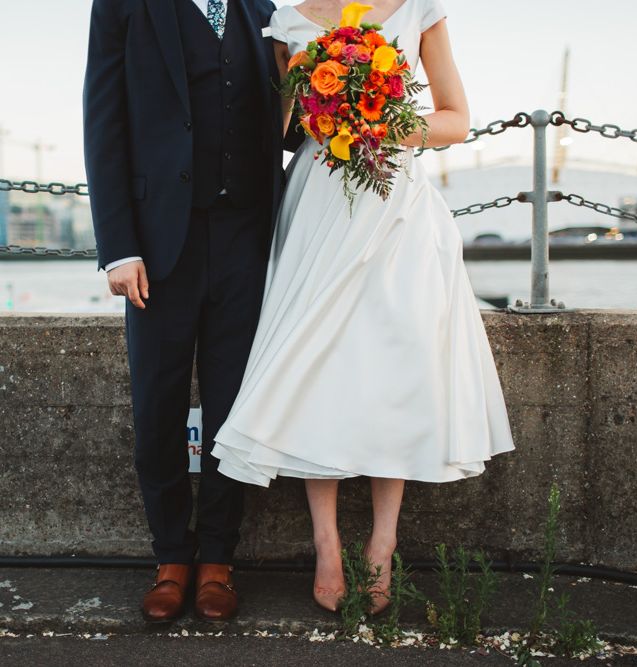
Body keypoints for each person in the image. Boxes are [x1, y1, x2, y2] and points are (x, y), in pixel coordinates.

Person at [211, 0, 517, 614]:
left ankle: (383, 539)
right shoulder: (286, 22)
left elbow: (455, 120)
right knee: (312, 364)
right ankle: (325, 542)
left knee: (394, 364)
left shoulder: (421, 9)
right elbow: (273, 131)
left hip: (395, 209)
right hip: (317, 207)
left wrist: (377, 124)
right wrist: (320, 112)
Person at [83, 0, 293, 622]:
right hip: (157, 241)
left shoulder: (264, 7)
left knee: (235, 407)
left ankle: (219, 561)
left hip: (247, 238)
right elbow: (104, 117)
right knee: (158, 403)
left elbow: (281, 123)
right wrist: (118, 247)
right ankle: (171, 556)